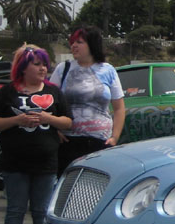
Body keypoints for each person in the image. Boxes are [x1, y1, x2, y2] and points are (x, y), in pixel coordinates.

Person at [0, 45, 72, 224]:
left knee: (42, 211)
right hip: (15, 162)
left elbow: (68, 122)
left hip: (46, 162)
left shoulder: (54, 92)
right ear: (23, 67)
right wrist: (17, 120)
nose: (43, 68)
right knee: (15, 210)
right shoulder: (7, 92)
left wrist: (47, 117)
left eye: (45, 64)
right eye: (37, 64)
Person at [49, 26, 126, 174]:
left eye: (79, 42)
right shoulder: (63, 69)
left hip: (100, 141)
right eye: (72, 42)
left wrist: (114, 137)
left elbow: (119, 108)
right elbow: (49, 101)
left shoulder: (108, 70)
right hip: (69, 141)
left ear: (92, 44)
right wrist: (54, 131)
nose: (74, 45)